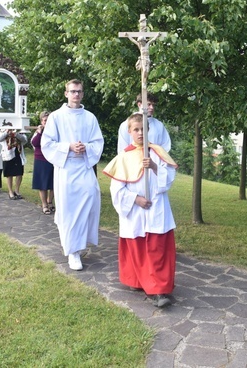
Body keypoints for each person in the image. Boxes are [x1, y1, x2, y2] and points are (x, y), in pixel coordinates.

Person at [103, 112, 178, 308]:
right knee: (138, 248)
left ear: (148, 130)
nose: (140, 133)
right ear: (129, 132)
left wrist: (154, 167)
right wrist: (135, 199)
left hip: (156, 209)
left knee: (156, 249)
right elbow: (116, 189)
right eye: (136, 130)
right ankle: (139, 281)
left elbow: (169, 180)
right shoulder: (124, 157)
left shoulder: (158, 153)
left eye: (143, 129)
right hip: (136, 211)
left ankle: (158, 290)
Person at [41, 79, 104, 271]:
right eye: (72, 91)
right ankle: (72, 251)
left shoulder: (90, 117)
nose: (76, 95)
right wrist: (68, 147)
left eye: (79, 91)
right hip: (66, 168)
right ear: (66, 93)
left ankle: (79, 243)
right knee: (69, 210)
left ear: (83, 94)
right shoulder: (56, 117)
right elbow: (47, 143)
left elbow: (98, 141)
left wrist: (86, 147)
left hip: (84, 167)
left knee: (91, 202)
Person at [31, 111, 55, 215]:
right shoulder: (38, 131)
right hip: (41, 159)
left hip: (53, 159)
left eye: (49, 120)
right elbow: (35, 143)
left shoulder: (55, 131)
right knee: (43, 183)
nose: (47, 122)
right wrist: (40, 132)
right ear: (41, 121)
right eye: (45, 120)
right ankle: (44, 204)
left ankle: (50, 201)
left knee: (53, 182)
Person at [0, 127, 27, 200]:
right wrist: (7, 132)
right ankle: (10, 192)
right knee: (9, 174)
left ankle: (17, 191)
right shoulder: (3, 130)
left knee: (19, 173)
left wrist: (16, 134)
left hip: (18, 153)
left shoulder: (20, 129)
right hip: (8, 154)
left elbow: (24, 140)